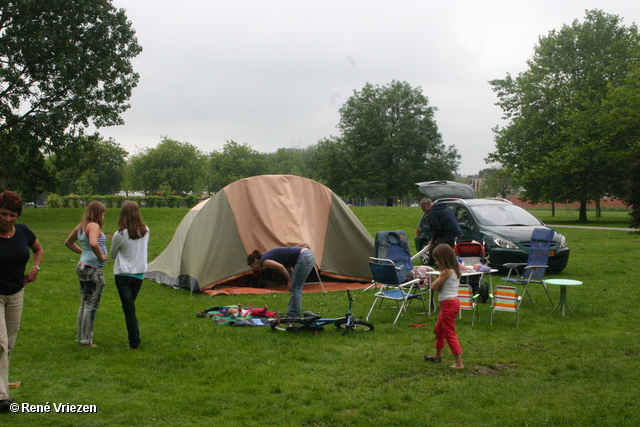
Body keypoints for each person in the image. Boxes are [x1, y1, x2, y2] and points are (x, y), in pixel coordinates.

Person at [0, 191, 44, 413]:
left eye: (12, 215)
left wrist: (36, 268)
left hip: (16, 293)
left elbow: (38, 249)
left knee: (9, 345)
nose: (8, 219)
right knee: (0, 342)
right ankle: (2, 397)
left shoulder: (24, 232)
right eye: (4, 214)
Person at [65, 201, 107, 348]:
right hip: (93, 269)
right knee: (91, 305)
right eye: (102, 214)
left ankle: (81, 337)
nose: (103, 217)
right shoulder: (94, 226)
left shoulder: (81, 226)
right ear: (98, 213)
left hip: (82, 266)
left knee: (84, 303)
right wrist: (100, 257)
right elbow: (94, 243)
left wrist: (84, 253)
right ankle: (86, 340)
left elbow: (68, 243)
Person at [110, 201, 149, 349]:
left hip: (123, 275)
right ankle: (134, 339)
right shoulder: (145, 231)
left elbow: (113, 254)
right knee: (130, 307)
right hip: (139, 274)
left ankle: (134, 342)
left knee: (129, 309)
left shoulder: (119, 234)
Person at [424, 244, 464, 369]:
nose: (436, 262)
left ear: (444, 258)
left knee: (449, 334)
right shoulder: (455, 269)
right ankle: (437, 356)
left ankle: (459, 363)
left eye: (437, 259)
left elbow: (433, 287)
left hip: (448, 305)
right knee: (438, 329)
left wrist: (437, 281)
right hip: (452, 303)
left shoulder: (446, 272)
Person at [246, 246, 316, 317]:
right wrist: (291, 279)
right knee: (295, 288)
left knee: (296, 288)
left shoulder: (264, 261)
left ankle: (293, 315)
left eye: (252, 266)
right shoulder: (269, 256)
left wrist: (289, 280)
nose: (254, 269)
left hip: (304, 256)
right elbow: (288, 265)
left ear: (255, 261)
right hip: (308, 255)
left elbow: (281, 267)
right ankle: (292, 313)